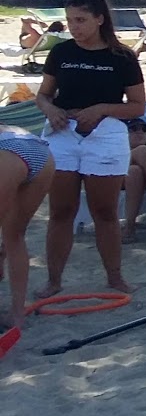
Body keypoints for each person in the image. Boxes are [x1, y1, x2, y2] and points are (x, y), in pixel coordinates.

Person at [35, 0, 146, 296]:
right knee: (61, 210)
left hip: (105, 133)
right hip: (63, 132)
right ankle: (53, 281)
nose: (74, 27)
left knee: (105, 212)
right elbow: (43, 95)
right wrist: (50, 109)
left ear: (99, 19)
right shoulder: (61, 53)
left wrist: (102, 109)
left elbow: (138, 106)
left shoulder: (122, 57)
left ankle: (115, 277)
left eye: (81, 20)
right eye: (70, 20)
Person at [0, 127, 54, 330]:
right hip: (36, 148)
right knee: (15, 236)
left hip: (9, 152)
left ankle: (16, 314)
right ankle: (17, 315)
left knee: (13, 235)